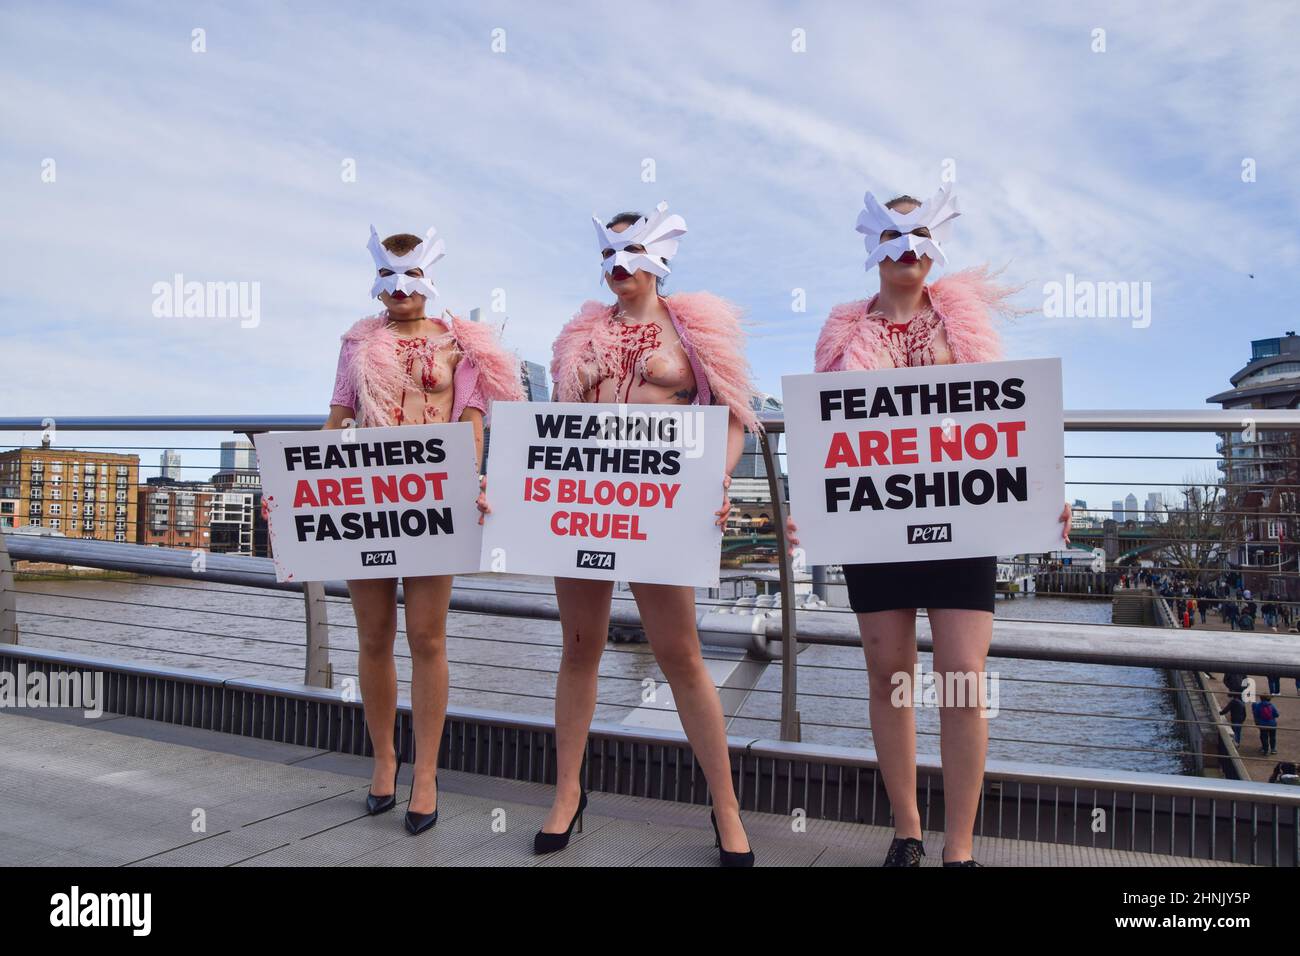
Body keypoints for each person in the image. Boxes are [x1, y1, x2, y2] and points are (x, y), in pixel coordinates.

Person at [786, 184, 1070, 866]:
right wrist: (811, 504)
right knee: (888, 672)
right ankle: (907, 831)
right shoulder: (844, 330)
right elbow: (829, 428)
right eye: (890, 235)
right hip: (876, 522)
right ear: (871, 246)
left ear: (936, 247)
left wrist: (1044, 493)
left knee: (962, 674)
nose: (904, 249)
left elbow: (1005, 422)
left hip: (961, 516)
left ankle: (961, 845)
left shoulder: (963, 325)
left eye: (917, 235)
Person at [527, 203, 761, 866]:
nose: (617, 268)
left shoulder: (694, 329)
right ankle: (568, 795)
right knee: (578, 647)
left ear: (658, 259)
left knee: (680, 653)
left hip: (660, 505)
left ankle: (725, 807)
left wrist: (714, 481)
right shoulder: (579, 335)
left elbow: (734, 417)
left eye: (630, 255)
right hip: (586, 502)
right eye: (607, 257)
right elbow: (557, 425)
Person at [325, 225, 523, 834]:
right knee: (373, 635)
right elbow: (338, 419)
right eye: (387, 276)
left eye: (409, 275)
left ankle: (427, 772)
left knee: (427, 637)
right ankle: (384, 760)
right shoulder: (356, 344)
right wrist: (293, 488)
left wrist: (472, 484)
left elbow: (471, 422)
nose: (398, 288)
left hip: (432, 498)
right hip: (367, 497)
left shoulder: (463, 345)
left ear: (429, 278)